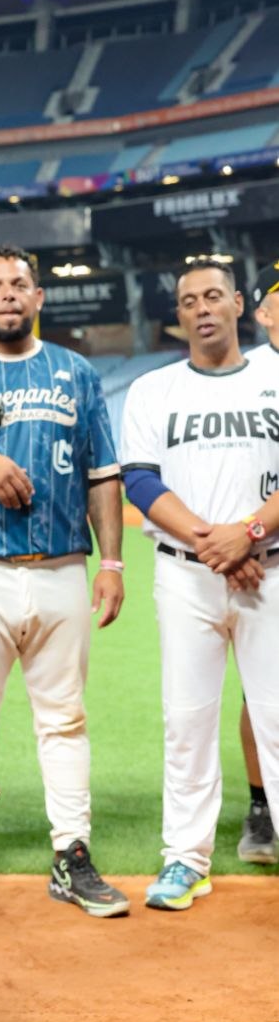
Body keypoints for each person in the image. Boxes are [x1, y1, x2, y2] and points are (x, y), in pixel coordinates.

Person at [0, 245, 128, 923]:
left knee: (64, 720)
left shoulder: (74, 373)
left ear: (38, 298)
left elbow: (102, 476)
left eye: (19, 284)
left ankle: (71, 853)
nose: (7, 295)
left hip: (63, 566)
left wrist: (113, 563)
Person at [121, 259, 279, 909]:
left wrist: (245, 531)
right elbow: (140, 481)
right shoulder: (152, 389)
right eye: (189, 301)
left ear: (238, 303)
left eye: (213, 295)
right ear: (179, 314)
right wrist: (219, 543)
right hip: (186, 575)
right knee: (186, 720)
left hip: (268, 569)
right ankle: (184, 859)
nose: (202, 308)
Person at [235, 258, 279, 864]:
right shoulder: (250, 376)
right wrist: (244, 540)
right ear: (265, 312)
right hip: (265, 554)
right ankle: (260, 805)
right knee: (262, 691)